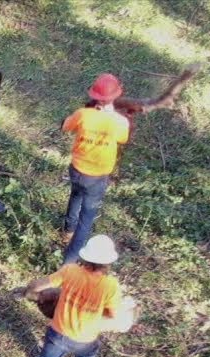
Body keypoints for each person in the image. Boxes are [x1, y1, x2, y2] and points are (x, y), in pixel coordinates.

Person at [11, 234, 122, 357]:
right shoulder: (110, 286)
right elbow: (113, 316)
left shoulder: (70, 271)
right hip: (85, 340)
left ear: (85, 256)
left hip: (58, 333)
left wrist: (29, 291)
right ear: (108, 263)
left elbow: (39, 285)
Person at [60, 74, 130, 265]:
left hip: (77, 169)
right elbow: (122, 139)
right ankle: (69, 262)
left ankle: (68, 230)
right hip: (98, 176)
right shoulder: (120, 122)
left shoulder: (83, 114)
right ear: (115, 96)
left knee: (75, 195)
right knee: (87, 217)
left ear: (95, 95)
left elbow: (66, 126)